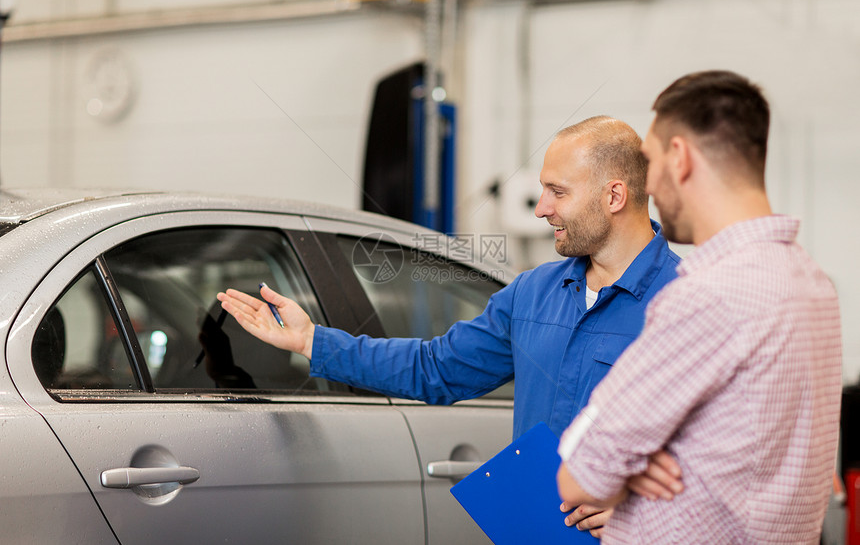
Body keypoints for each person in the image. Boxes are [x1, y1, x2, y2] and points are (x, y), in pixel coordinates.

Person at [218, 115, 681, 537]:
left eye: (558, 192)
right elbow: (434, 368)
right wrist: (312, 341)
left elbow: (735, 448)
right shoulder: (532, 293)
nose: (542, 209)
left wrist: (647, 507)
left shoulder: (687, 302)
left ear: (614, 196)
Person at [556, 71, 843, 544]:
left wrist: (627, 463)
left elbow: (581, 473)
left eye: (649, 161)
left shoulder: (708, 294)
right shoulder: (812, 283)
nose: (647, 184)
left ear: (680, 158)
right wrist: (645, 459)